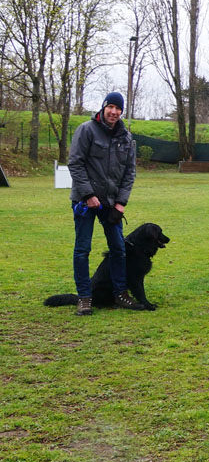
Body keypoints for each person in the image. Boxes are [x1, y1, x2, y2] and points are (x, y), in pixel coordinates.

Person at [67, 91, 140, 316]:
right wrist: (88, 195)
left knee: (118, 249)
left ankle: (120, 293)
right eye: (111, 108)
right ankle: (84, 297)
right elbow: (75, 163)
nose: (115, 112)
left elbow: (129, 172)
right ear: (104, 107)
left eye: (119, 109)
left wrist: (121, 203)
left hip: (111, 204)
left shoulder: (126, 138)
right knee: (82, 250)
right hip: (85, 201)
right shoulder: (86, 130)